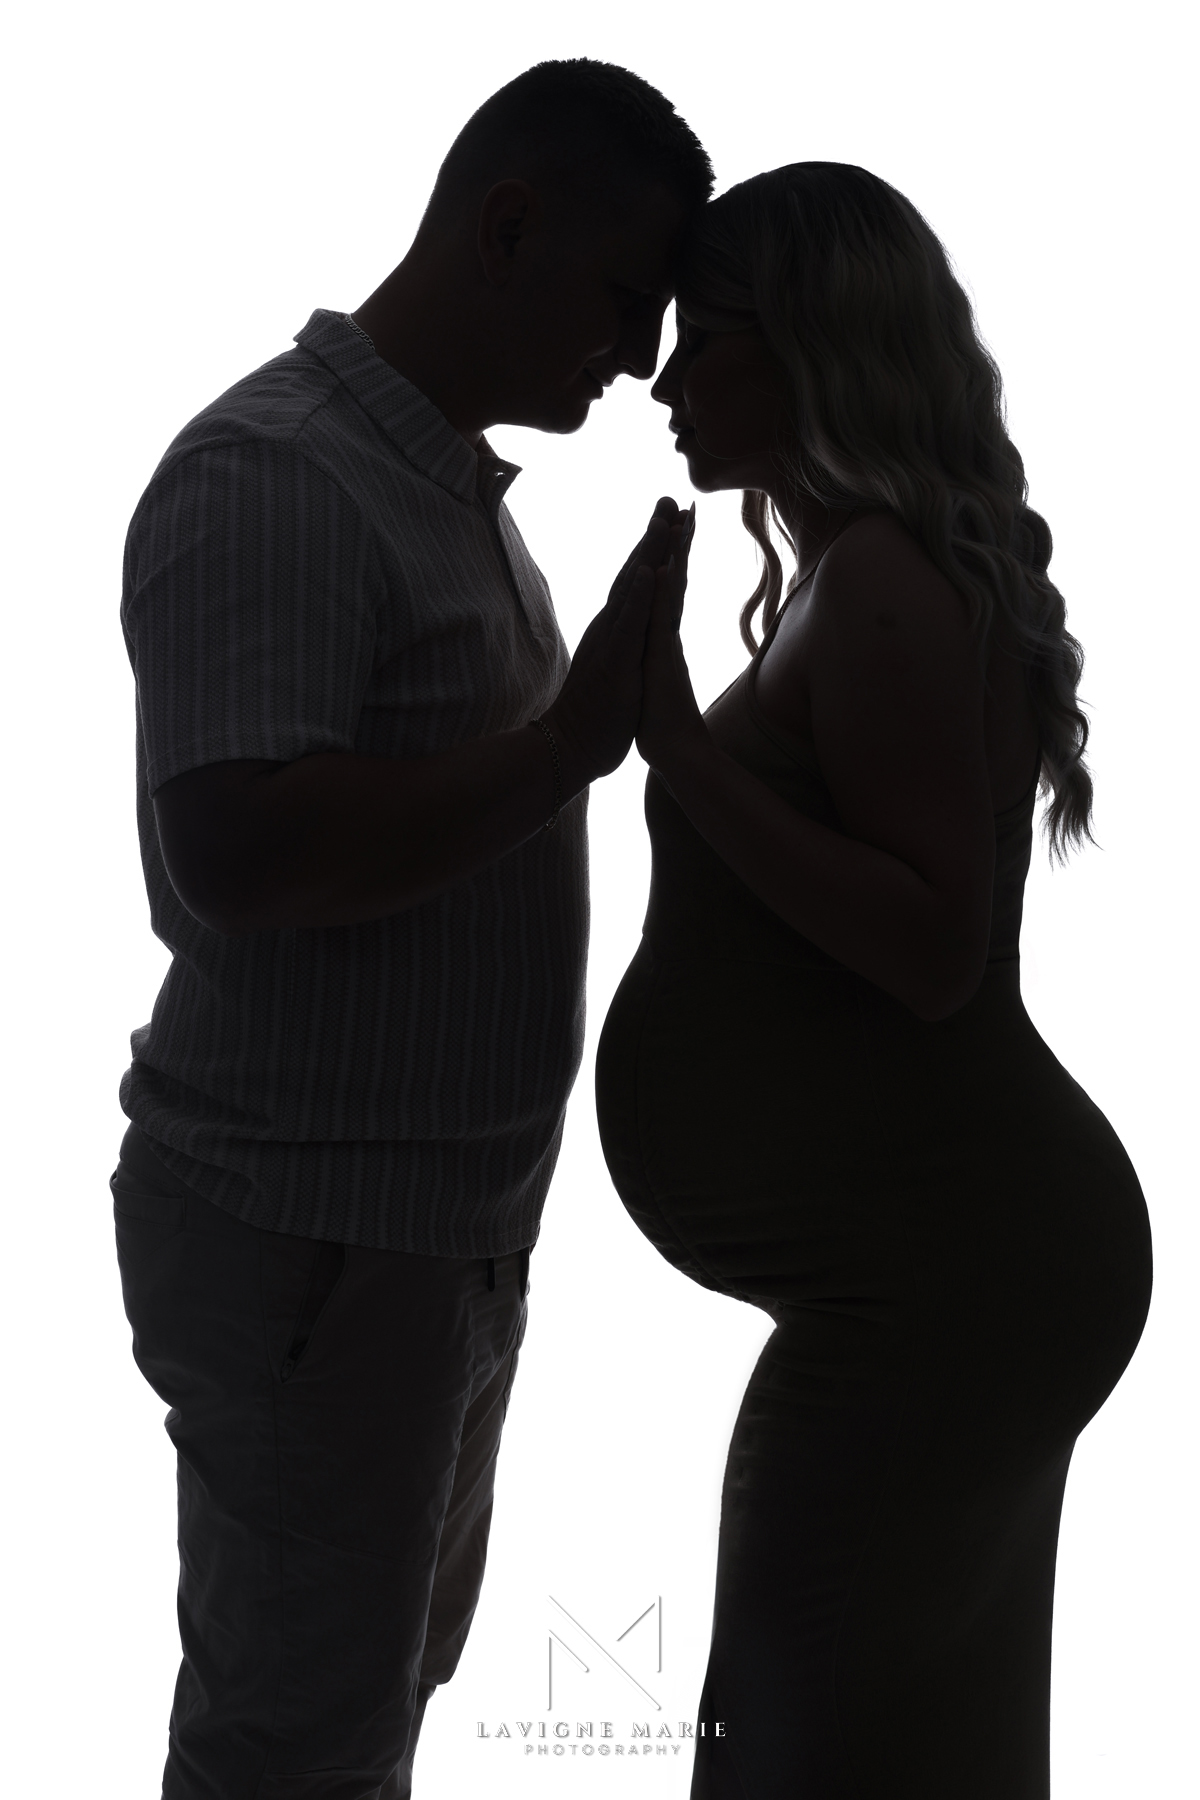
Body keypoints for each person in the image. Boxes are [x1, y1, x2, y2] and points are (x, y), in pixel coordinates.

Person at [111, 59, 711, 1800]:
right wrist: (567, 748)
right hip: (322, 1245)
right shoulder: (276, 475)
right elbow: (235, 847)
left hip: (413, 1251)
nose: (645, 359)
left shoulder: (439, 495)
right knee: (294, 1754)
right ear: (507, 227)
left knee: (354, 1724)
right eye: (628, 301)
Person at [595, 163, 1153, 1798]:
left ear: (823, 349)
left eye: (716, 341)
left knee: (805, 1748)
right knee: (895, 1749)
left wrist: (680, 750)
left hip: (954, 1288)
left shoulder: (887, 587)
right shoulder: (852, 576)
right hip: (942, 1281)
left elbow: (925, 943)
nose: (668, 380)